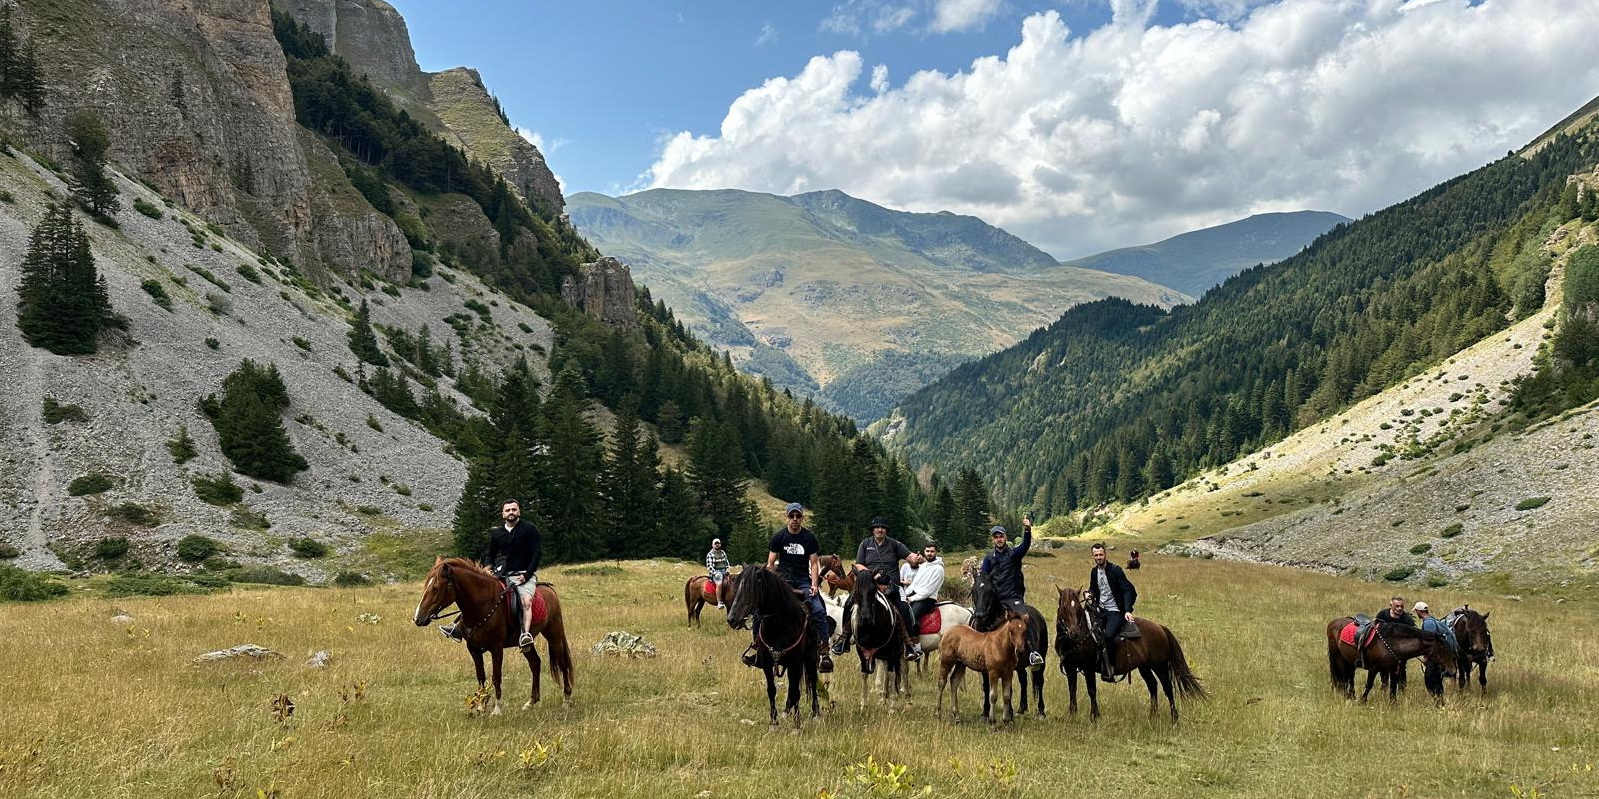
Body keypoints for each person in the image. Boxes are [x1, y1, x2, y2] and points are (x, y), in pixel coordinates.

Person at [444, 498, 543, 649]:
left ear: (519, 511)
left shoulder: (530, 529)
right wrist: (488, 568)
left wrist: (528, 574)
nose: (511, 512)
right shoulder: (497, 533)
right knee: (480, 598)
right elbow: (490, 554)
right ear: (503, 514)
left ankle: (525, 634)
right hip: (501, 574)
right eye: (508, 510)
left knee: (526, 601)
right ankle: (458, 628)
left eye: (514, 509)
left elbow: (537, 553)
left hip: (523, 574)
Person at [754, 502, 833, 673]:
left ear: (802, 518)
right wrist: (772, 583)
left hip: (803, 580)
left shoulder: (809, 538)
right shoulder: (779, 537)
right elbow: (770, 564)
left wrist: (814, 585)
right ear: (787, 518)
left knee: (819, 609)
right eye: (792, 516)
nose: (795, 519)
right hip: (783, 580)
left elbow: (814, 563)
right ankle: (757, 646)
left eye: (798, 516)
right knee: (760, 610)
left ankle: (824, 649)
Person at [832, 517, 920, 661]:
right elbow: (859, 565)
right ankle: (844, 640)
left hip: (892, 585)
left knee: (904, 608)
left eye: (882, 527)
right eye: (877, 527)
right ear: (873, 530)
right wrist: (871, 575)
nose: (880, 530)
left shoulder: (895, 544)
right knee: (848, 604)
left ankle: (910, 645)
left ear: (886, 530)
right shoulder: (865, 544)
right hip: (869, 585)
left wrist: (916, 558)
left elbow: (910, 556)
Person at [980, 517, 1044, 666]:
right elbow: (984, 577)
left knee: (1025, 617)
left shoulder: (1014, 554)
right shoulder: (988, 558)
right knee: (979, 617)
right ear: (993, 540)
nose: (999, 539)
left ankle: (1033, 652)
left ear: (1005, 537)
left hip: (1012, 597)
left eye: (1001, 536)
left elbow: (1025, 545)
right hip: (995, 598)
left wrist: (1027, 529)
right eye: (996, 537)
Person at [1088, 541, 1137, 680]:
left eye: (1100, 554)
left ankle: (1111, 667)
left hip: (1115, 611)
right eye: (1096, 555)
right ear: (1093, 556)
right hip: (1100, 609)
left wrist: (1127, 610)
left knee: (1108, 636)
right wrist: (1089, 594)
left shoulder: (1115, 570)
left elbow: (1127, 590)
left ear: (1105, 554)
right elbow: (1093, 588)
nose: (1098, 557)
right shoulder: (1094, 572)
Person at [1414, 601, 1457, 696]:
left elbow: (1430, 642)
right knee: (1436, 678)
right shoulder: (1433, 620)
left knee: (1430, 678)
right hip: (1439, 656)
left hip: (1435, 657)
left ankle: (1437, 698)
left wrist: (1427, 657)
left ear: (1418, 611)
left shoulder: (1428, 623)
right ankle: (1439, 697)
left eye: (1416, 611)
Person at [904, 543, 945, 625]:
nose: (929, 553)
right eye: (927, 551)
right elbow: (914, 584)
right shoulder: (923, 566)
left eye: (932, 551)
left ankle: (913, 633)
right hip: (915, 595)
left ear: (936, 552)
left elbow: (928, 591)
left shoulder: (938, 569)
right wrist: (905, 595)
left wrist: (911, 599)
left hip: (927, 600)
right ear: (924, 552)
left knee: (911, 618)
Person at [705, 538, 730, 609]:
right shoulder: (710, 554)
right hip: (716, 572)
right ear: (712, 545)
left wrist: (728, 569)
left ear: (720, 544)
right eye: (715, 544)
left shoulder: (723, 553)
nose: (717, 545)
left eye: (718, 543)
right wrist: (715, 573)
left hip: (724, 571)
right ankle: (719, 602)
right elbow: (709, 566)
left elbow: (727, 563)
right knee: (719, 583)